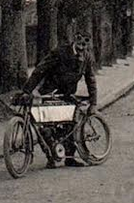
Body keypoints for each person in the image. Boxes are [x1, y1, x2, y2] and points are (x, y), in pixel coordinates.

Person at [23, 33, 98, 168]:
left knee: (71, 123)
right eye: (80, 44)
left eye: (85, 45)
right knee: (44, 124)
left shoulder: (87, 58)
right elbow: (41, 69)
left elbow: (90, 80)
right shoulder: (60, 52)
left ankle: (69, 157)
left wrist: (93, 103)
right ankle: (50, 155)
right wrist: (27, 90)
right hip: (49, 91)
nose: (81, 48)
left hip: (67, 93)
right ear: (75, 40)